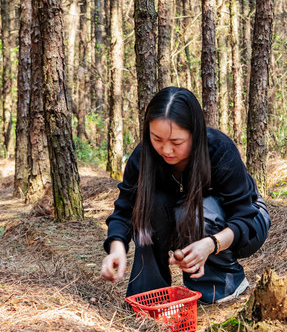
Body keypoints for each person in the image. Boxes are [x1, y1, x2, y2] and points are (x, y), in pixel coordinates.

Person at [100, 87, 271, 304]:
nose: (166, 150)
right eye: (157, 139)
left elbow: (244, 217)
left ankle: (221, 285)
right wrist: (116, 249)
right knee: (148, 205)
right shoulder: (143, 157)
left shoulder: (219, 150)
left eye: (176, 142)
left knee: (193, 210)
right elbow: (125, 210)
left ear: (195, 133)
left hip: (246, 224)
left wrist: (210, 244)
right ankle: (150, 294)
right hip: (185, 219)